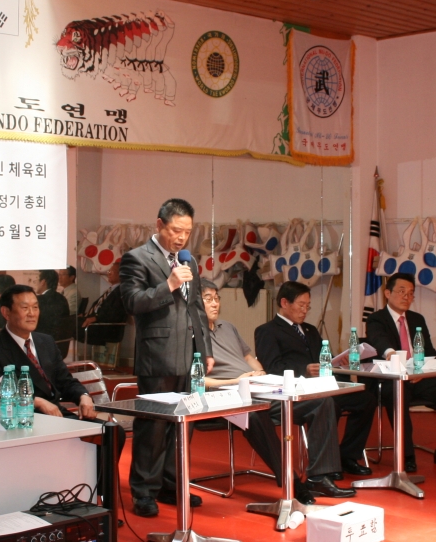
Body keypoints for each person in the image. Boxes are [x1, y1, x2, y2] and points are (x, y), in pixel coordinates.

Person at [202, 281, 351, 503]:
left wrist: (261, 373)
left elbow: (247, 356)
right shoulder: (190, 333)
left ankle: (319, 476)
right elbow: (195, 379)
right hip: (227, 394)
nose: (215, 304)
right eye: (208, 299)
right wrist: (237, 380)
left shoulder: (228, 327)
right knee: (256, 414)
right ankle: (291, 480)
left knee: (322, 402)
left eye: (217, 298)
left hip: (257, 387)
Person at [120, 198, 212, 518]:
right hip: (157, 354)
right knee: (154, 426)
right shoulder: (136, 258)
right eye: (175, 230)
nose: (181, 238)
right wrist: (169, 284)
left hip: (189, 353)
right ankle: (144, 491)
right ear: (159, 225)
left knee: (183, 423)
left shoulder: (190, 261)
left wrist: (205, 350)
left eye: (187, 231)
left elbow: (196, 307)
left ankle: (171, 484)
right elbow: (132, 302)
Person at [254, 281, 376, 493]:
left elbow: (324, 361)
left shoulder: (310, 330)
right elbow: (272, 368)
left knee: (366, 399)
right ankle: (320, 473)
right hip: (294, 392)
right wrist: (304, 370)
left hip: (320, 387)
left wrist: (339, 363)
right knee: (326, 404)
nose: (305, 310)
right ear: (284, 302)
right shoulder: (267, 331)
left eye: (307, 306)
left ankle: (347, 455)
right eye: (301, 305)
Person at [365, 272, 436, 472]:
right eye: (401, 291)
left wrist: (426, 369)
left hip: (417, 378)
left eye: (410, 293)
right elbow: (379, 341)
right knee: (399, 392)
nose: (406, 297)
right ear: (387, 293)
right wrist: (391, 354)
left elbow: (429, 351)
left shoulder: (417, 319)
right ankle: (406, 454)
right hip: (389, 381)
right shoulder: (376, 319)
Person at [0, 285, 97, 419]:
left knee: (108, 429)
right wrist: (36, 402)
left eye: (35, 307)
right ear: (6, 312)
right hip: (26, 417)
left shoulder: (46, 341)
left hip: (57, 413)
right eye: (25, 308)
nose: (32, 313)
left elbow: (65, 380)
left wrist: (83, 396)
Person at [78, 260, 128, 347]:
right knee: (72, 321)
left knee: (70, 326)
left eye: (112, 271)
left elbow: (115, 314)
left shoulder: (122, 292)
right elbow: (98, 308)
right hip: (97, 324)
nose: (109, 273)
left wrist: (96, 318)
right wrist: (86, 315)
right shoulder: (110, 291)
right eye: (108, 271)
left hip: (106, 328)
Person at [34, 269, 71, 342]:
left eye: (36, 281)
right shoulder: (62, 299)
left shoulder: (37, 301)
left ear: (43, 282)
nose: (35, 283)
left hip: (40, 341)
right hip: (61, 342)